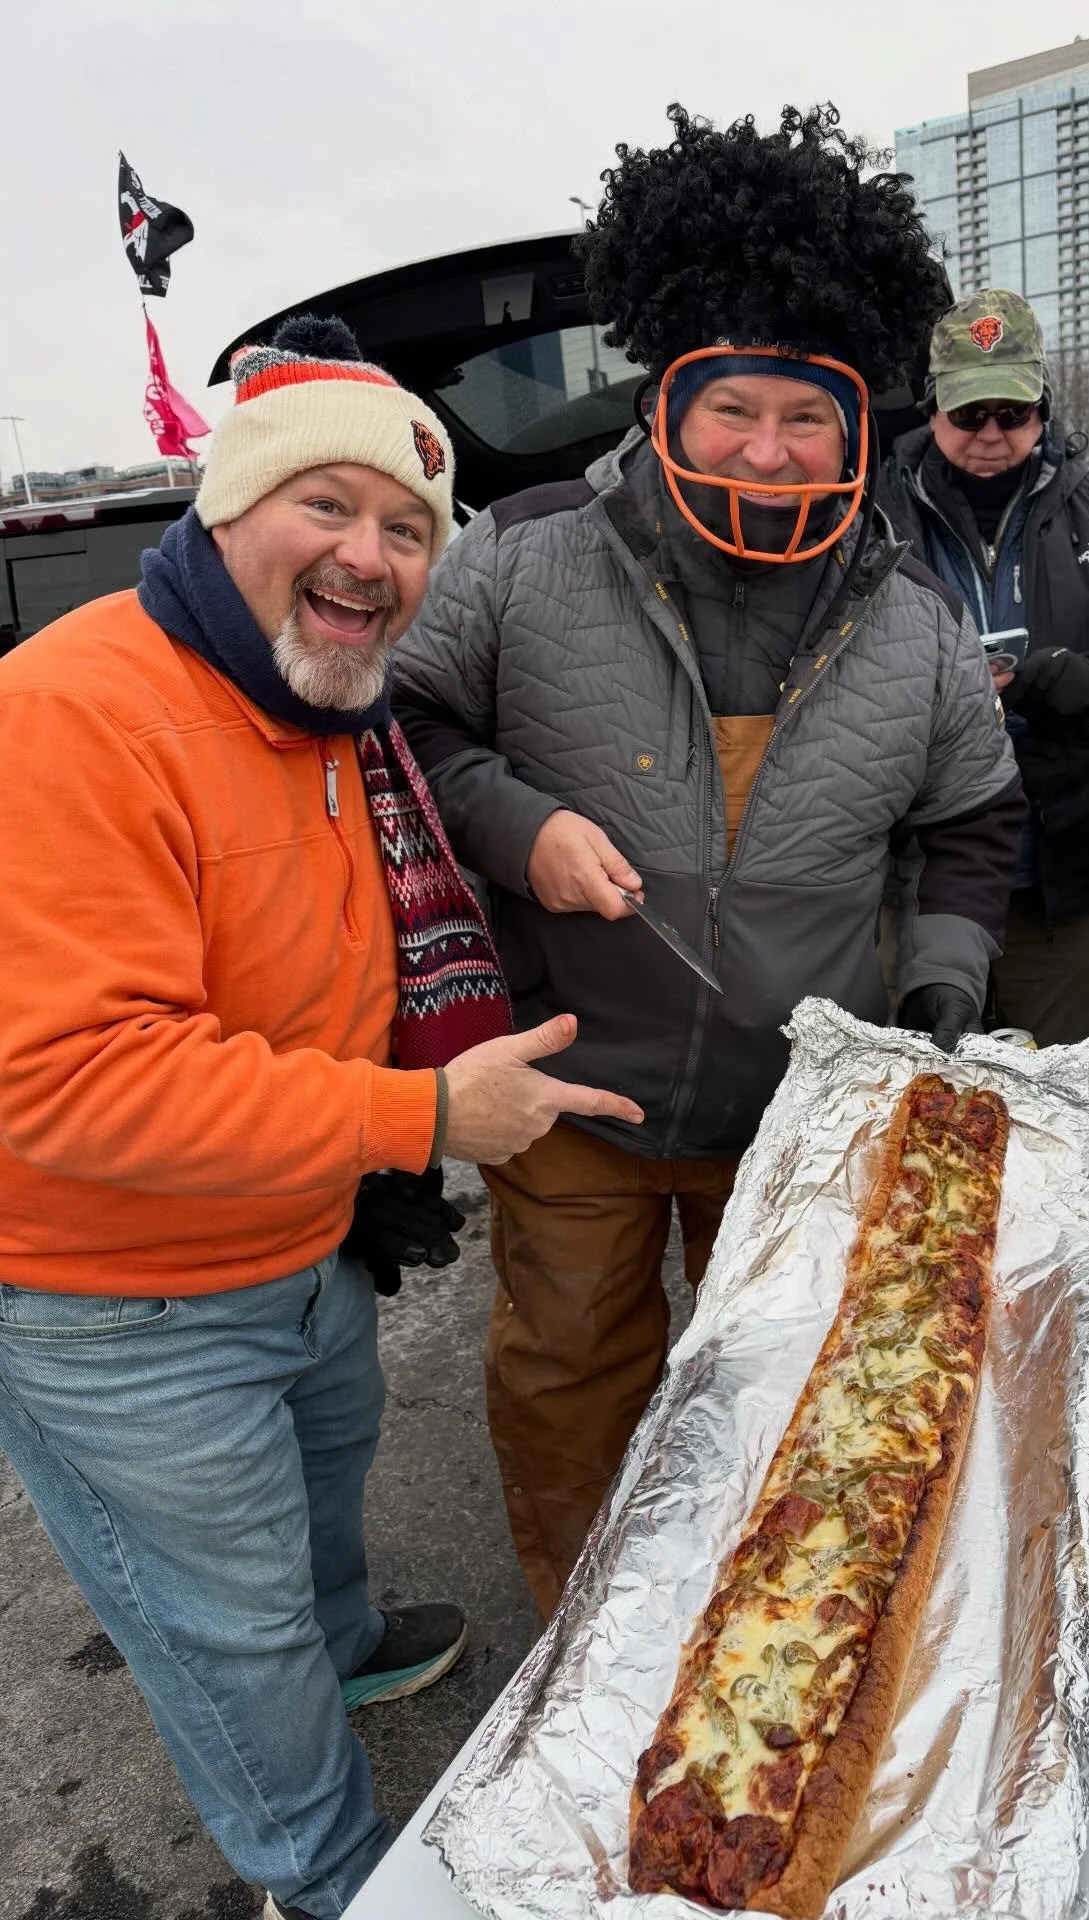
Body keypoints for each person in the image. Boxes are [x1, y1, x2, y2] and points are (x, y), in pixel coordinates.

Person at [0, 317, 641, 1920]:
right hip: (123, 1299)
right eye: (328, 507)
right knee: (229, 1629)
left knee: (326, 1476)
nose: (371, 556)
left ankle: (344, 1647)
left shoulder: (327, 703)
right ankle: (330, 1873)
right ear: (228, 509)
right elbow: (66, 1076)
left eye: (409, 529)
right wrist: (420, 1114)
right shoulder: (73, 713)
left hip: (300, 1227)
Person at [393, 103, 1027, 1618]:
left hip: (795, 1115)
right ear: (667, 400)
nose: (766, 446)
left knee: (780, 1393)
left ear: (855, 424)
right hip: (573, 1093)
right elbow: (404, 730)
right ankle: (586, 1642)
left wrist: (941, 988)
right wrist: (518, 825)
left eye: (806, 416)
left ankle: (751, 1641)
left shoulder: (918, 621)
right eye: (732, 406)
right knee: (569, 1384)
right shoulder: (521, 554)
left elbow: (973, 821)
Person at [878, 290, 1089, 1047]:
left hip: (1060, 886)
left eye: (1013, 412)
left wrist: (1088, 683)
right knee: (919, 1094)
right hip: (912, 884)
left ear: (1044, 407)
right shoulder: (874, 517)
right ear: (932, 407)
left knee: (1058, 1093)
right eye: (969, 413)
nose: (991, 434)